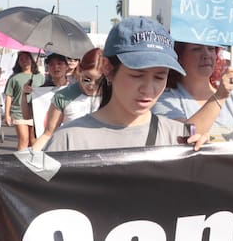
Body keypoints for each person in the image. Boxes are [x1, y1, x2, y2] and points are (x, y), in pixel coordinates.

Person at [45, 17, 188, 152]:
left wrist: (204, 156)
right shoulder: (67, 141)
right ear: (107, 68)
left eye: (159, 77)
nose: (148, 89)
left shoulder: (180, 139)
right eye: (137, 75)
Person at [153, 42, 233, 142]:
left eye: (211, 48)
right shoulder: (165, 99)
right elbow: (181, 137)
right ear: (179, 57)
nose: (206, 55)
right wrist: (220, 96)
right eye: (196, 49)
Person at [33, 48, 105, 150]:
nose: (91, 85)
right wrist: (31, 156)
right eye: (87, 79)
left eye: (98, 81)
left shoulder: (115, 96)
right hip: (72, 156)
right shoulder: (63, 96)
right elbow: (48, 134)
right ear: (80, 70)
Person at [3, 52, 43, 150]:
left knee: (33, 141)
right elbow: (9, 96)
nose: (24, 61)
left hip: (35, 113)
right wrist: (7, 114)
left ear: (31, 60)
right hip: (18, 112)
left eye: (26, 58)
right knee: (23, 140)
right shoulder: (14, 78)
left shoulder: (40, 77)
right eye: (21, 59)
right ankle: (20, 163)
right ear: (18, 62)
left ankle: (33, 162)